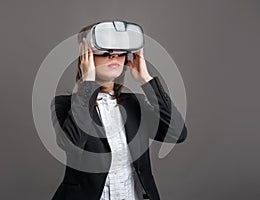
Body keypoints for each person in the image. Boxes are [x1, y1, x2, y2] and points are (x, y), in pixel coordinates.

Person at [51, 21, 187, 200]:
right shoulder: (65, 105)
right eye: (106, 51)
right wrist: (87, 83)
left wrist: (146, 80)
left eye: (120, 51)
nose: (114, 56)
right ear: (86, 56)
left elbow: (176, 134)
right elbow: (72, 144)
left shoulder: (134, 104)